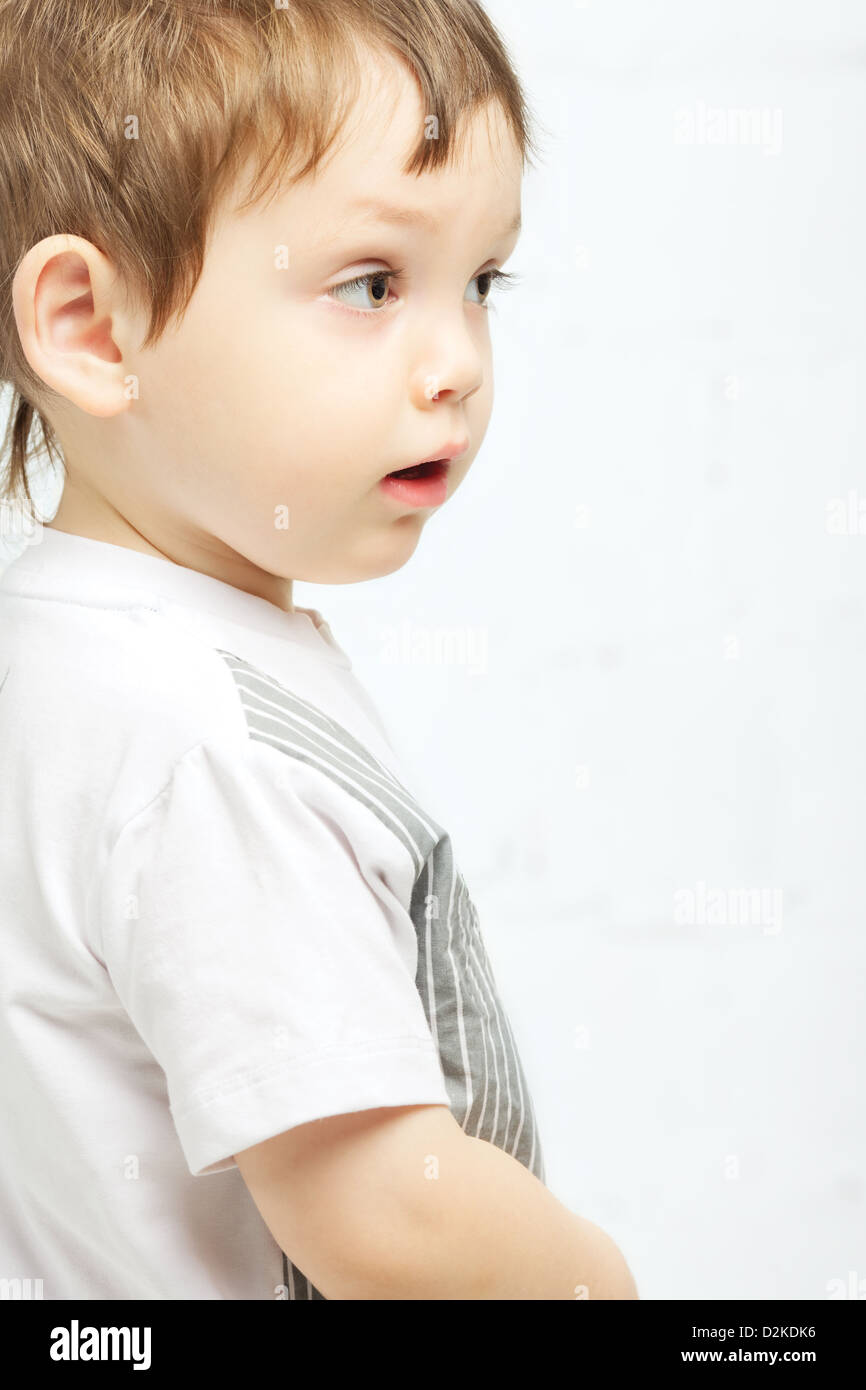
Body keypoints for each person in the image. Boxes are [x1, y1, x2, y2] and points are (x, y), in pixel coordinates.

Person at [0, 0, 637, 1300]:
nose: (456, 362)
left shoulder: (64, 649)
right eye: (370, 284)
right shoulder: (203, 735)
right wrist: (596, 1282)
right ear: (94, 327)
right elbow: (380, 1217)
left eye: (481, 282)